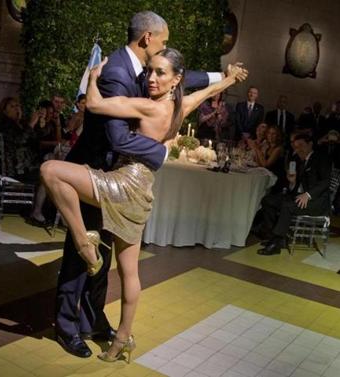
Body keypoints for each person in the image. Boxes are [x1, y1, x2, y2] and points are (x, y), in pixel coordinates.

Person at [50, 10, 248, 360]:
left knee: (105, 259)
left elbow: (186, 78)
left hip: (121, 181)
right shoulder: (122, 75)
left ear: (172, 79)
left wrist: (223, 76)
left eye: (162, 71)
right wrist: (158, 152)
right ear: (148, 39)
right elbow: (116, 137)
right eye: (164, 41)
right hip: (110, 175)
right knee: (87, 263)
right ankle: (71, 326)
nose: (155, 73)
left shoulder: (145, 78)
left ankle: (94, 321)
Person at [257, 133, 331, 256]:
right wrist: (292, 182)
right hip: (298, 196)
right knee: (268, 200)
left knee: (287, 206)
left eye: (301, 146)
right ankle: (274, 237)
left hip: (316, 201)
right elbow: (294, 187)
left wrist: (308, 194)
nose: (298, 150)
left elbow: (326, 181)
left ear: (310, 144)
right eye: (296, 147)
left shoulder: (321, 158)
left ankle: (276, 243)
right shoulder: (297, 159)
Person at [247, 125, 286, 192]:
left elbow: (266, 165)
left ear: (278, 136)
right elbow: (260, 164)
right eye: (269, 133)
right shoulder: (268, 146)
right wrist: (256, 150)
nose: (270, 135)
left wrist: (256, 148)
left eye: (273, 134)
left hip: (275, 178)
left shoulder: (279, 149)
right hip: (266, 175)